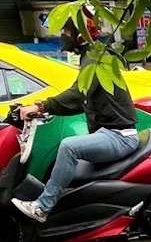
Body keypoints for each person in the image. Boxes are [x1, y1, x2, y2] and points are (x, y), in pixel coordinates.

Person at [11, 54, 140, 222]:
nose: (63, 34)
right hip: (109, 133)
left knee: (69, 147)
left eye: (65, 30)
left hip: (120, 136)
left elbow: (78, 94)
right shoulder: (96, 57)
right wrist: (44, 110)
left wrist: (41, 106)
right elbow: (80, 102)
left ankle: (42, 207)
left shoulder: (96, 59)